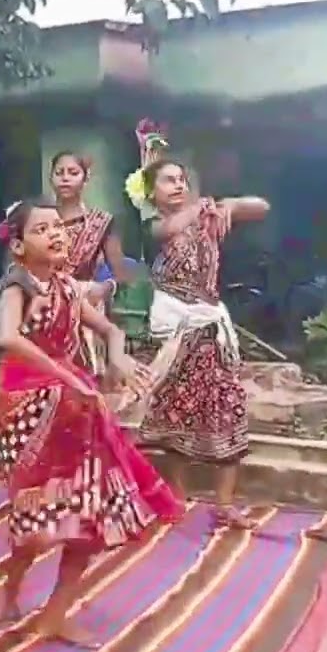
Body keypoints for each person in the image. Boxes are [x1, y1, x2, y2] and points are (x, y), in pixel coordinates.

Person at [0, 201, 182, 645]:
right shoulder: (16, 285)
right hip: (27, 407)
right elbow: (8, 337)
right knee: (33, 518)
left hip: (77, 406)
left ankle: (55, 612)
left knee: (89, 514)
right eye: (41, 228)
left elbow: (109, 330)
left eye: (58, 226)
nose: (55, 233)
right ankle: (10, 593)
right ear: (18, 245)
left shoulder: (69, 289)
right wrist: (66, 374)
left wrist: (117, 357)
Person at [126, 144, 270, 529]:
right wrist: (204, 203)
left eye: (182, 180)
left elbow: (261, 207)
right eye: (169, 181)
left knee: (228, 406)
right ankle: (176, 494)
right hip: (174, 331)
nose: (179, 186)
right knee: (175, 413)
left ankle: (224, 504)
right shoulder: (151, 226)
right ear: (151, 193)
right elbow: (171, 229)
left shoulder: (208, 217)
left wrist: (230, 205)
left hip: (209, 329)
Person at [48, 151, 136, 377]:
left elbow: (120, 274)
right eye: (59, 173)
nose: (65, 178)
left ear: (85, 179)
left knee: (85, 381)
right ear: (51, 178)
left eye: (73, 173)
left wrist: (102, 288)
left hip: (85, 313)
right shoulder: (41, 219)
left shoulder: (101, 223)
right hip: (44, 310)